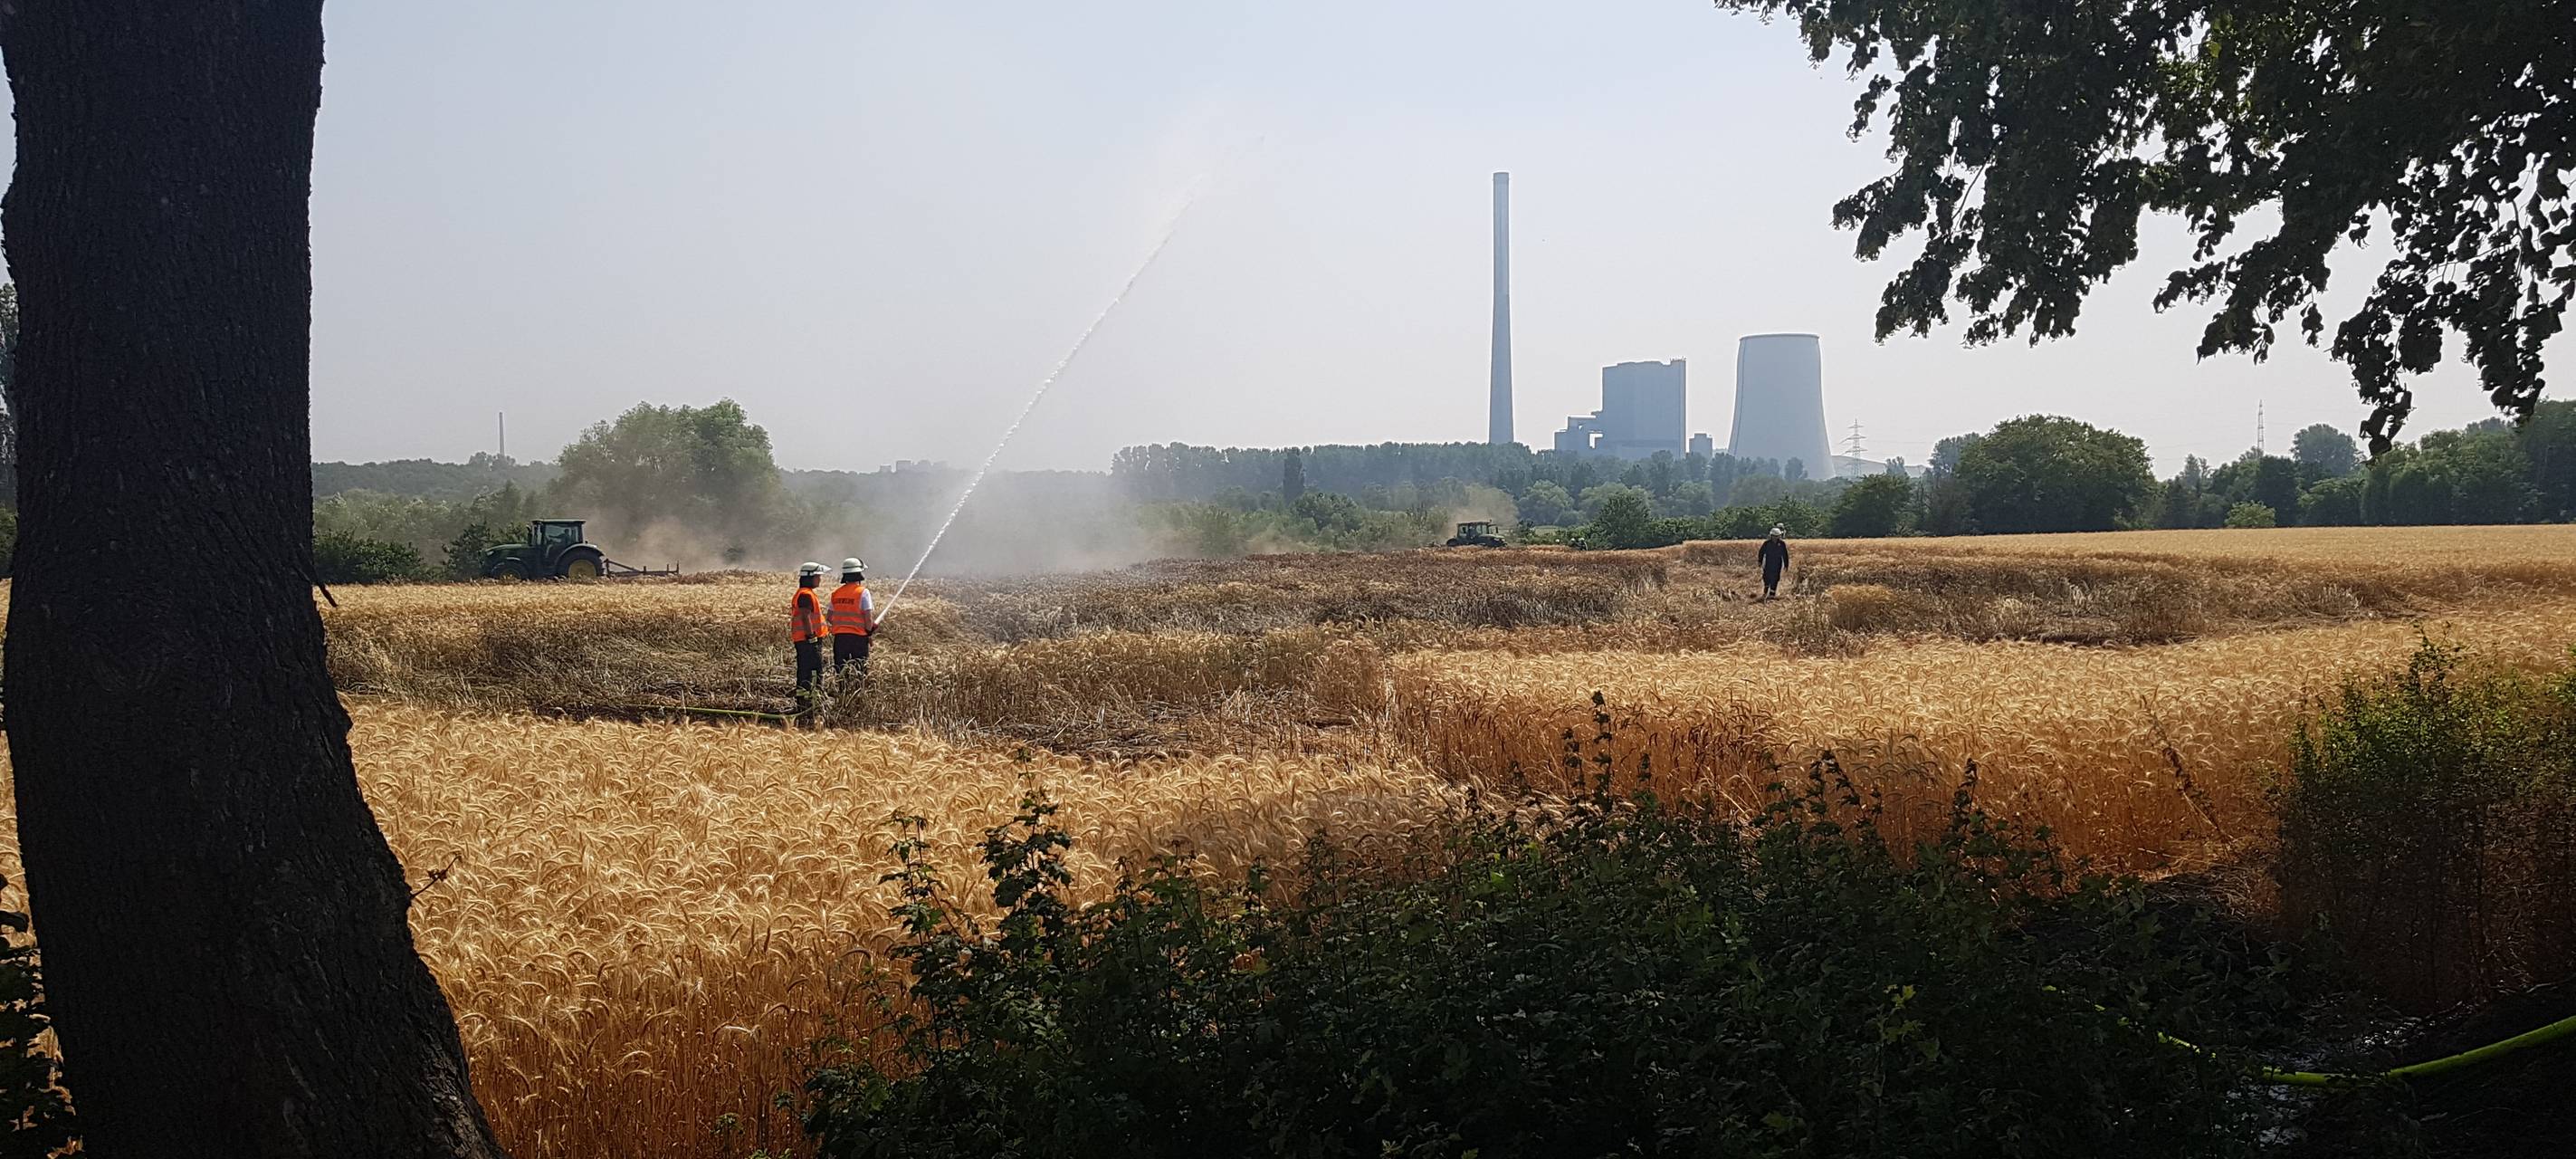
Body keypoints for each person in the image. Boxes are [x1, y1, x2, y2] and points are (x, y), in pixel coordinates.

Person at [826, 556, 877, 678]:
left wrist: (843, 625)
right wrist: (869, 632)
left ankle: (841, 693)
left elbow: (829, 617)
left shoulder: (836, 593)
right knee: (860, 670)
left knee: (841, 670)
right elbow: (868, 618)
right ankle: (858, 694)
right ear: (859, 574)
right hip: (858, 639)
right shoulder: (863, 592)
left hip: (840, 638)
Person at [788, 561, 828, 707]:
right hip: (808, 640)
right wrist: (811, 636)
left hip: (803, 639)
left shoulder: (805, 593)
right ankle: (811, 699)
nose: (820, 579)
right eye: (818, 576)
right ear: (810, 577)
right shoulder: (806, 595)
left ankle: (804, 698)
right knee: (813, 669)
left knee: (805, 669)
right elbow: (805, 616)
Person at [1758, 526, 1790, 599]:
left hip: (1777, 563)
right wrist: (1760, 561)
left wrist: (1786, 565)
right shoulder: (1766, 544)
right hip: (1768, 563)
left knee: (1775, 578)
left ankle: (1772, 594)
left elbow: (1785, 554)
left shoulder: (1782, 544)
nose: (1776, 538)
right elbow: (1761, 552)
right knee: (1766, 577)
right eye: (1774, 536)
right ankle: (1766, 590)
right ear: (1771, 536)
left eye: (1777, 536)